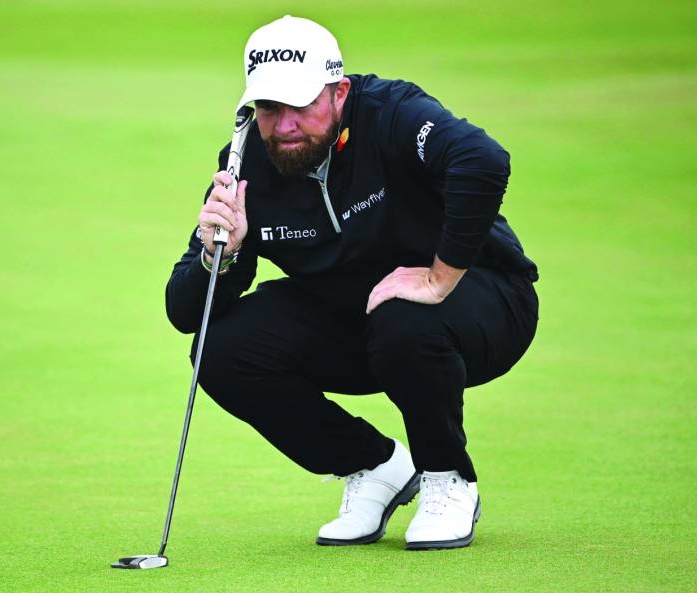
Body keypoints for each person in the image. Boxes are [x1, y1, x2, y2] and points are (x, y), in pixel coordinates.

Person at [164, 15, 538, 550]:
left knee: (404, 318)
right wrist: (222, 253)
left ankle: (448, 477)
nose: (285, 124)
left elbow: (482, 159)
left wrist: (438, 278)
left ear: (339, 91)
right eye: (270, 108)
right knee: (219, 347)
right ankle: (374, 466)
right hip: (360, 324)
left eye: (301, 105)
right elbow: (185, 312)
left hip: (484, 304)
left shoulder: (392, 114)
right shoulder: (247, 164)